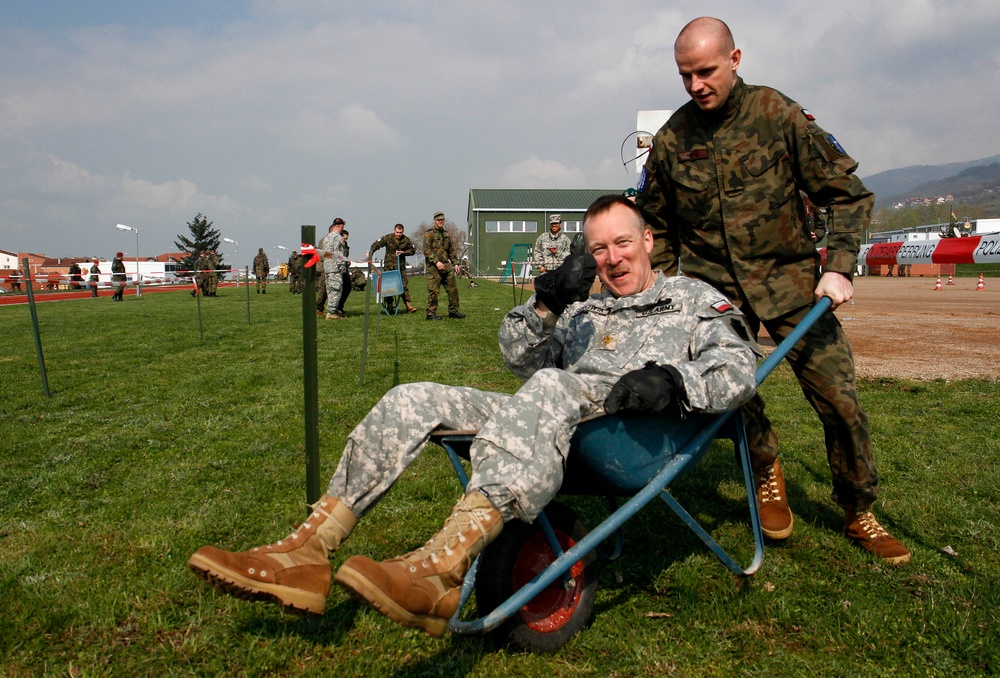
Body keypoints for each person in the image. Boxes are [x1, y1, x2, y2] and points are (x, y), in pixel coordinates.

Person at [187, 195, 759, 637]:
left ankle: (445, 564)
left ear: (649, 240)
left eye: (622, 243)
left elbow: (738, 369)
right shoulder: (585, 304)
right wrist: (546, 305)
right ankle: (307, 552)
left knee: (553, 385)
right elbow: (518, 358)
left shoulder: (691, 298)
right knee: (412, 395)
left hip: (632, 432)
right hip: (554, 416)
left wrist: (674, 380)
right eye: (599, 249)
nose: (612, 259)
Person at [635, 16, 909, 563]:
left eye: (706, 72)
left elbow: (847, 195)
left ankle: (858, 510)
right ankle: (765, 469)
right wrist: (668, 290)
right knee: (734, 395)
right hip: (715, 295)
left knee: (840, 401)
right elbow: (655, 224)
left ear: (735, 60)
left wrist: (840, 266)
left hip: (794, 287)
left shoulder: (777, 114)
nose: (696, 86)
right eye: (685, 75)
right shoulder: (672, 140)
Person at [368, 223, 418, 313]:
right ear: (394, 230)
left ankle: (408, 305)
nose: (398, 234)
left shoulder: (406, 240)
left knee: (404, 285)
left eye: (400, 232)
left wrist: (403, 252)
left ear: (403, 232)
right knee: (388, 286)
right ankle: (389, 305)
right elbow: (376, 244)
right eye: (397, 232)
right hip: (389, 266)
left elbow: (413, 250)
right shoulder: (388, 238)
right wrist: (370, 255)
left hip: (400, 267)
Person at [423, 212, 464, 320]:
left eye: (442, 220)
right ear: (434, 221)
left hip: (446, 266)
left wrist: (455, 263)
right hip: (433, 267)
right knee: (433, 291)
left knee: (453, 289)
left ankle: (453, 311)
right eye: (438, 220)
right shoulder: (429, 234)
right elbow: (426, 251)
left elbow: (450, 250)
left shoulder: (446, 234)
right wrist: (436, 262)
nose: (440, 221)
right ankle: (431, 313)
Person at [319, 218, 348, 319]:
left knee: (330, 290)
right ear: (339, 226)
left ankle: (331, 311)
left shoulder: (326, 238)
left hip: (327, 267)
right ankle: (331, 312)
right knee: (336, 289)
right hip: (335, 268)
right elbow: (338, 254)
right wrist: (342, 267)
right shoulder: (338, 238)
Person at [336, 230, 353, 316]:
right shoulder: (337, 245)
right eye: (344, 238)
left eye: (346, 239)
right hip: (337, 270)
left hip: (344, 269)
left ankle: (340, 306)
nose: (345, 240)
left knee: (348, 287)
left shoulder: (345, 246)